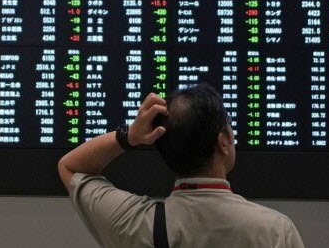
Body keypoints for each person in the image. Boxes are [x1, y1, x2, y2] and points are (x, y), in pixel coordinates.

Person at [57, 83, 305, 247]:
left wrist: (130, 136)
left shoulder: (134, 223)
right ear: (223, 142)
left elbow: (71, 167)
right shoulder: (275, 232)